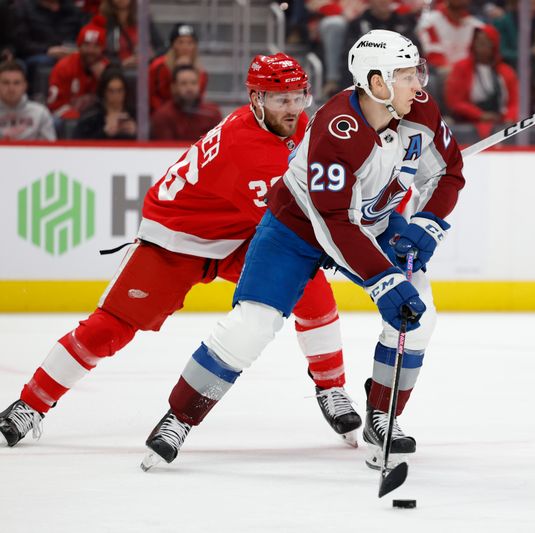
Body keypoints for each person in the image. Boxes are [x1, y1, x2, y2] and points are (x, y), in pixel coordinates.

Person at [140, 30, 465, 471]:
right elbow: (334, 222)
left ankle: (383, 417)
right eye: (406, 75)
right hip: (297, 228)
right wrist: (383, 280)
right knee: (251, 325)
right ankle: (178, 417)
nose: (418, 84)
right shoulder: (337, 129)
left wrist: (428, 223)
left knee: (420, 315)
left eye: (416, 72)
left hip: (372, 223)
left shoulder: (419, 109)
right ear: (377, 82)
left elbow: (447, 173)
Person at [0, 53, 360, 449]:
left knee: (311, 289)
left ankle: (331, 388)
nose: (292, 110)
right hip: (176, 238)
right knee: (111, 327)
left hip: (238, 231)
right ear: (256, 99)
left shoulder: (293, 125)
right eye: (281, 100)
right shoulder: (246, 150)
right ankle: (30, 405)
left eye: (298, 97)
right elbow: (290, 221)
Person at [445, 25, 519, 139]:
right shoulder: (461, 67)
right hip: (468, 120)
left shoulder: (507, 71)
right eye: (478, 42)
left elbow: (515, 102)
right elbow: (455, 101)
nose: (481, 47)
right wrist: (479, 115)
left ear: (494, 45)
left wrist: (509, 118)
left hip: (501, 121)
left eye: (486, 43)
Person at [47, 24, 109, 121]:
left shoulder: (108, 68)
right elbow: (55, 106)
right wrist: (79, 120)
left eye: (96, 46)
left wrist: (105, 79)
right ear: (79, 46)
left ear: (102, 49)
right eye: (86, 45)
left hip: (99, 119)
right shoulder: (64, 67)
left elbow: (116, 105)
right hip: (69, 118)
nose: (90, 50)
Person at [149, 65, 222, 141]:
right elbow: (163, 150)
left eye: (193, 83)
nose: (189, 88)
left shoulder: (212, 114)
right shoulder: (163, 116)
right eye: (183, 83)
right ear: (173, 87)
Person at [148, 23, 207, 113]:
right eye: (180, 42)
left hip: (189, 116)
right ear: (173, 45)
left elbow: (198, 101)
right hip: (160, 115)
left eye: (190, 42)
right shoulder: (157, 67)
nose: (185, 47)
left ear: (195, 46)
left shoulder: (202, 73)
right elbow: (149, 95)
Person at [73, 66, 136, 139]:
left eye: (120, 90)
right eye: (111, 91)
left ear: (125, 91)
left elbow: (149, 143)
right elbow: (78, 144)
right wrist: (104, 133)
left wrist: (137, 133)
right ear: (104, 92)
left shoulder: (135, 114)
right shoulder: (92, 116)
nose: (116, 95)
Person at [0, 60, 56, 140]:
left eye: (16, 83)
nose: (11, 88)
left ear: (25, 86)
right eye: (6, 83)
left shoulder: (40, 113)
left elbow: (50, 148)